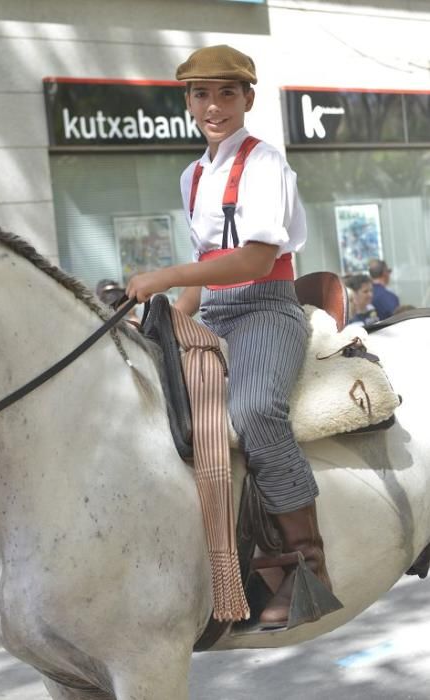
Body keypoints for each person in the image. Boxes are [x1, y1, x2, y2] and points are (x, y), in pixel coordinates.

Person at [125, 44, 334, 627]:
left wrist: (165, 277)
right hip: (213, 312)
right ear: (187, 101)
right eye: (199, 93)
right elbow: (206, 262)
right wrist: (170, 319)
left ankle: (306, 565)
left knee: (255, 409)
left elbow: (253, 260)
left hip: (266, 306)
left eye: (225, 93)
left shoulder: (266, 163)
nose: (211, 105)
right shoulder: (192, 175)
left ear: (248, 98)